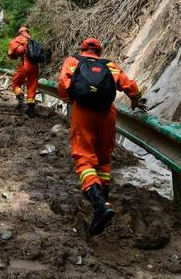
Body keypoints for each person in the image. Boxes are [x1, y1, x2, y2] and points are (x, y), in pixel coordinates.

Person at [57, 37, 145, 236]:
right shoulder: (110, 66)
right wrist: (135, 100)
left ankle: (99, 206)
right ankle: (105, 201)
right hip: (107, 114)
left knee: (83, 158)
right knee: (103, 159)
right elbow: (129, 85)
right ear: (99, 51)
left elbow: (63, 83)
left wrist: (68, 100)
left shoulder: (73, 61)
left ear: (82, 48)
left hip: (83, 113)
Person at [7, 25, 39, 117]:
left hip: (24, 65)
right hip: (35, 67)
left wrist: (13, 55)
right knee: (32, 87)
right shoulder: (32, 40)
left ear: (20, 32)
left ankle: (20, 98)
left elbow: (10, 52)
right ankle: (31, 110)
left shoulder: (19, 38)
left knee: (15, 84)